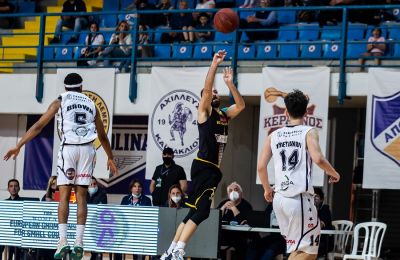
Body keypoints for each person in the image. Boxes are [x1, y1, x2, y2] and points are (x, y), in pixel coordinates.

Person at [3, 72, 118, 260]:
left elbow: (39, 126)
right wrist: (110, 157)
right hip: (88, 150)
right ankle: (79, 242)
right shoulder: (91, 104)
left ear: (65, 88)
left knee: (64, 194)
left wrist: (19, 145)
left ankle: (63, 240)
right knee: (82, 196)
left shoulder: (60, 101)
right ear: (81, 87)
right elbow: (102, 135)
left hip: (70, 149)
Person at [160, 50, 245, 260]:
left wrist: (230, 84)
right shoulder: (204, 113)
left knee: (192, 212)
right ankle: (180, 249)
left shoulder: (224, 115)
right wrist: (214, 65)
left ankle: (170, 251)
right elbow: (206, 91)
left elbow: (241, 105)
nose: (214, 94)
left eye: (217, 93)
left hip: (211, 169)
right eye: (212, 93)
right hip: (205, 165)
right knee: (204, 210)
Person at [257, 89, 340, 260]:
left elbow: (260, 167)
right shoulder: (308, 131)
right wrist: (334, 173)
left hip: (279, 200)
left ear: (286, 112)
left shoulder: (273, 135)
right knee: (310, 252)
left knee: (297, 249)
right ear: (307, 111)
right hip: (298, 199)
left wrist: (266, 190)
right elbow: (318, 158)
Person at [218, 181, 253, 259]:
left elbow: (244, 222)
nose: (233, 192)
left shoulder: (246, 205)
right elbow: (216, 220)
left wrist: (233, 208)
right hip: (224, 236)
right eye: (230, 190)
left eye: (236, 190)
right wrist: (222, 209)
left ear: (241, 193)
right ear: (228, 194)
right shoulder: (223, 203)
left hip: (239, 237)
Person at [87, 176, 107, 260]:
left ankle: (96, 256)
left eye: (94, 184)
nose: (92, 186)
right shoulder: (82, 193)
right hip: (85, 222)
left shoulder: (102, 194)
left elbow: (102, 210)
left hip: (97, 223)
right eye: (90, 184)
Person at [314, 188, 334, 258]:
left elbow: (319, 226)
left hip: (324, 241)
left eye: (316, 196)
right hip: (311, 240)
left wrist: (315, 210)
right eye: (311, 196)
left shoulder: (325, 209)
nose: (313, 198)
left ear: (322, 199)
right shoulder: (308, 210)